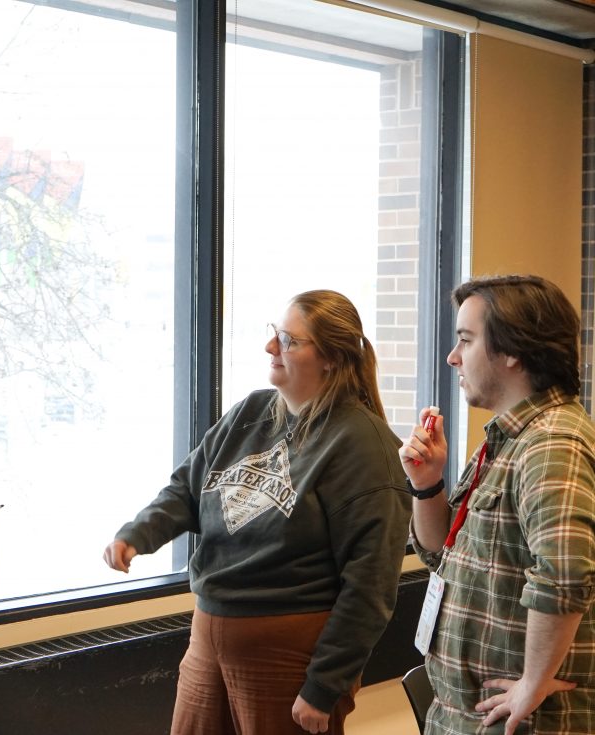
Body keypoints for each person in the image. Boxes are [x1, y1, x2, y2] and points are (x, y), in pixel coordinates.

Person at [104, 289, 411, 735]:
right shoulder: (250, 412)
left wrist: (325, 686)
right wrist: (137, 534)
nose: (271, 347)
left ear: (329, 358)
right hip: (208, 636)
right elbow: (188, 489)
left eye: (289, 340)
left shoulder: (362, 444)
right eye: (274, 334)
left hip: (288, 655)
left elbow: (371, 584)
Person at [402, 274, 595, 735]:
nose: (453, 357)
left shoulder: (552, 443)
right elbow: (438, 554)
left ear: (513, 351)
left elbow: (565, 574)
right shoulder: (508, 438)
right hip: (463, 716)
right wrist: (427, 486)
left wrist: (532, 682)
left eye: (466, 340)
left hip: (517, 723)